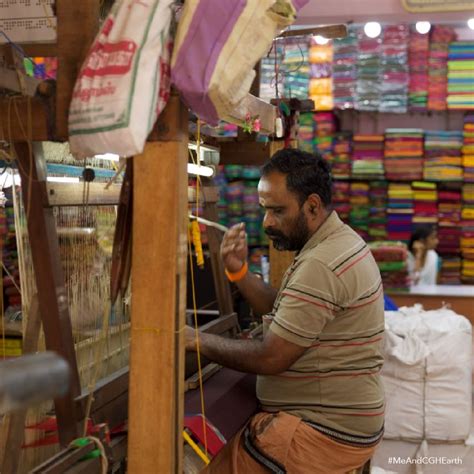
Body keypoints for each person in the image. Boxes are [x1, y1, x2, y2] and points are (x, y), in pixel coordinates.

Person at [185, 148, 385, 473]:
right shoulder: (332, 242)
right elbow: (284, 308)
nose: (267, 222)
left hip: (324, 432)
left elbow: (271, 358)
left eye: (277, 211)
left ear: (313, 206)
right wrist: (238, 272)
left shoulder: (322, 262)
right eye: (265, 209)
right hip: (343, 422)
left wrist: (194, 340)